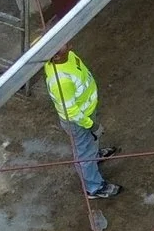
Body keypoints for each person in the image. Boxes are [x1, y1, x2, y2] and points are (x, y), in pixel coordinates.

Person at [42, 47, 122, 200]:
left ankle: (94, 157)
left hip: (85, 113)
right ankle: (93, 187)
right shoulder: (61, 80)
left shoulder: (69, 56)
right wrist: (91, 125)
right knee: (84, 154)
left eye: (59, 44)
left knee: (88, 144)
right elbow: (71, 111)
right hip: (78, 121)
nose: (54, 52)